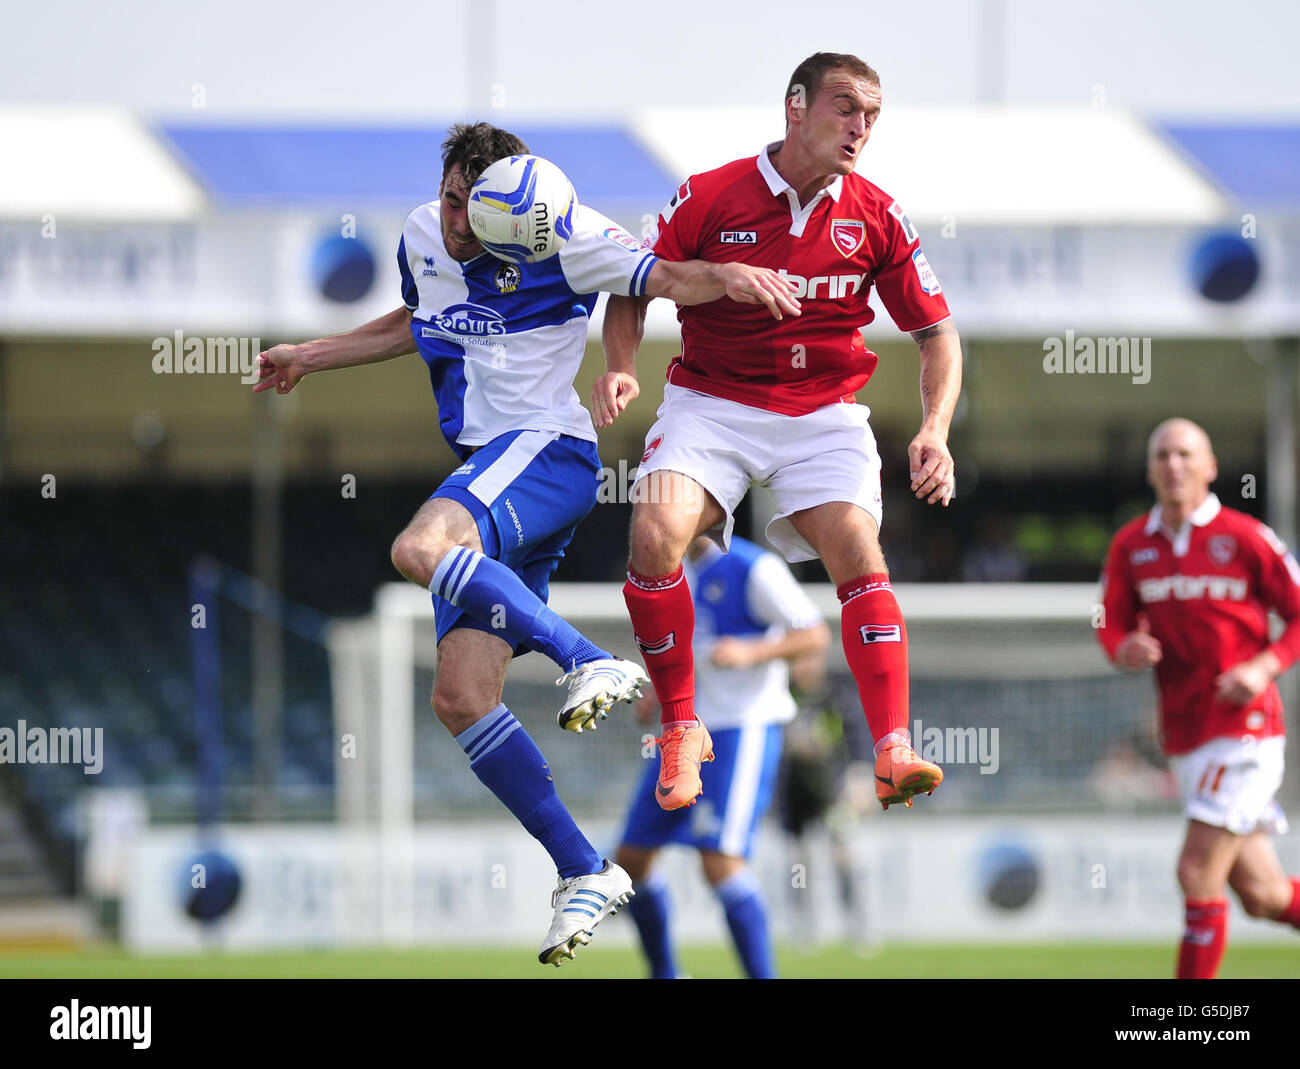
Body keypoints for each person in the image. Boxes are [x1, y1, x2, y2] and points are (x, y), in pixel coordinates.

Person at [253, 122, 799, 966]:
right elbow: (416, 319)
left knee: (417, 547)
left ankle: (588, 656)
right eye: (450, 198)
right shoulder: (419, 234)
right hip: (492, 469)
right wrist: (311, 355)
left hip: (547, 452)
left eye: (472, 204)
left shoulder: (559, 231)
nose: (458, 217)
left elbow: (658, 274)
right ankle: (583, 867)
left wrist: (723, 277)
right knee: (462, 697)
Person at [594, 52, 962, 812]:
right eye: (844, 107)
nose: (860, 127)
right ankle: (681, 726)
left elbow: (938, 335)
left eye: (871, 115)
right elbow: (635, 282)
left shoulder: (879, 215)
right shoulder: (709, 194)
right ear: (794, 106)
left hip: (822, 411)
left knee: (859, 550)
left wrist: (935, 428)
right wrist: (623, 365)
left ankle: (891, 748)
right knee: (655, 530)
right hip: (712, 402)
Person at [1098, 417, 1300, 978]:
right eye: (1162, 455)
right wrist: (1123, 646)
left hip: (1246, 732)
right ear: (1149, 471)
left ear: (1209, 467)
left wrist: (1264, 665)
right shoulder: (1132, 545)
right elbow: (1108, 621)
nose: (1174, 465)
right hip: (1185, 737)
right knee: (1263, 895)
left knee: (1194, 871)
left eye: (1186, 454)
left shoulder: (1246, 536)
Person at [616, 535, 830, 978]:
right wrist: (658, 694)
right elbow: (681, 649)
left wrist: (753, 650)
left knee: (720, 863)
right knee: (630, 860)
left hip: (742, 728)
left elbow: (814, 633)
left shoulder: (755, 567)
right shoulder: (673, 571)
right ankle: (666, 973)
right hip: (685, 731)